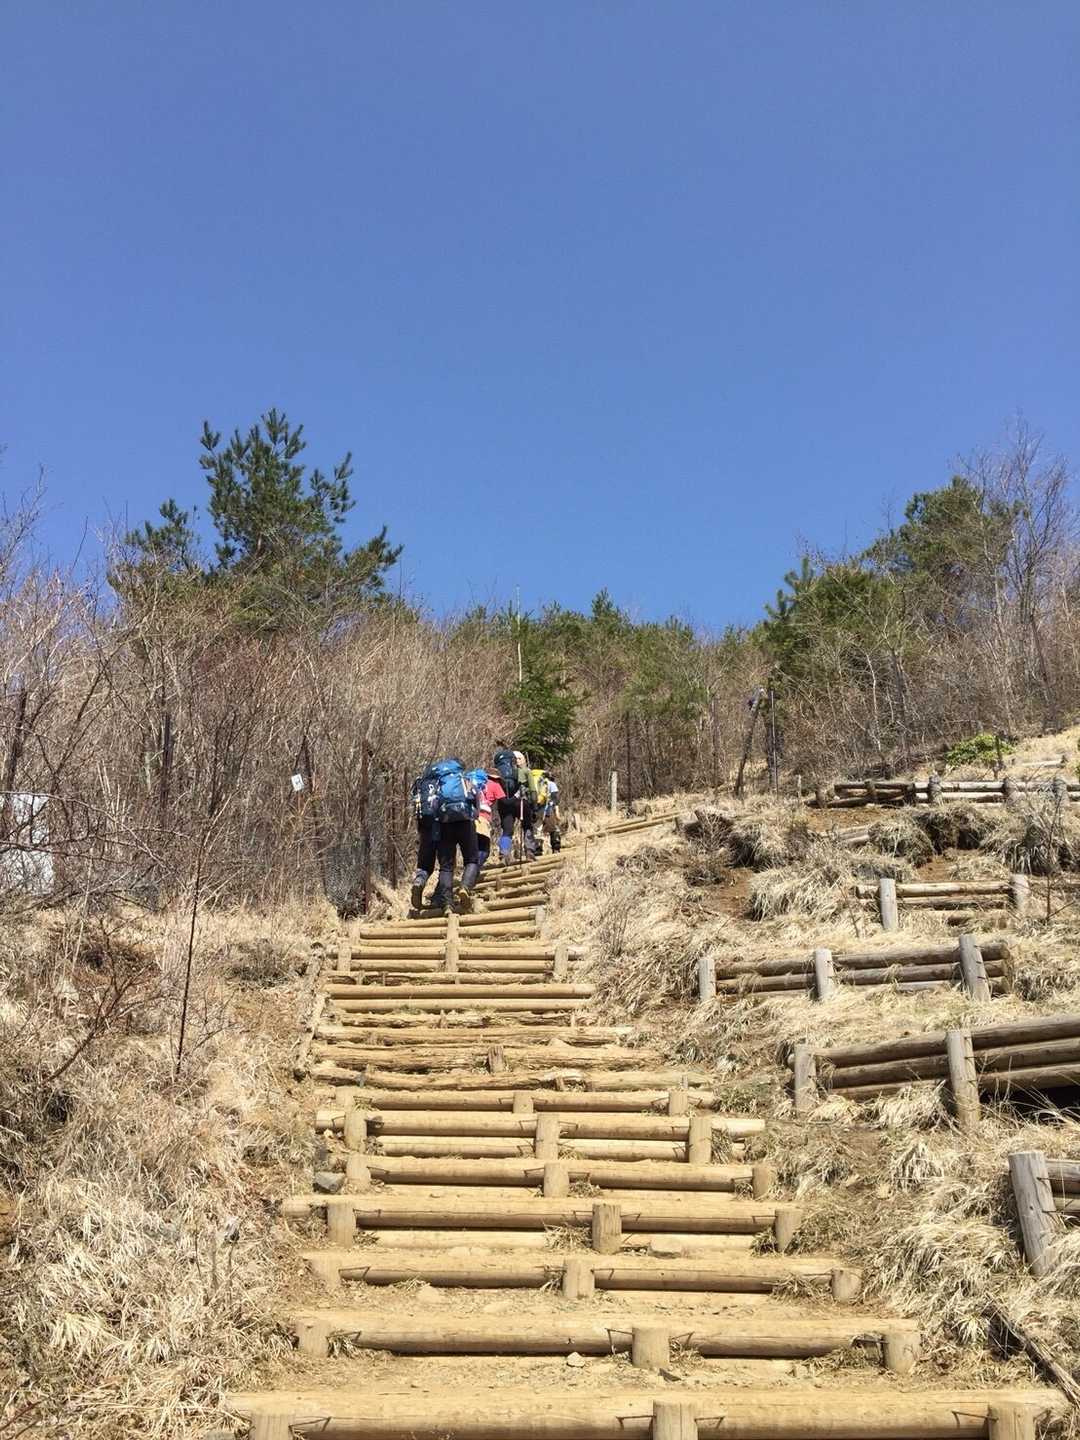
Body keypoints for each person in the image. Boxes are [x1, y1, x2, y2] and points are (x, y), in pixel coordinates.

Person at [469, 767, 505, 869]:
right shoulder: (495, 785)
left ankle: (470, 869)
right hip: (483, 818)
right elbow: (503, 801)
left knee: (474, 847)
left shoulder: (471, 783)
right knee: (484, 850)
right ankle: (473, 870)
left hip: (469, 817)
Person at [542, 772, 562, 852]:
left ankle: (537, 850)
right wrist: (557, 811)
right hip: (549, 809)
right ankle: (556, 847)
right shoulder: (552, 784)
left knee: (537, 830)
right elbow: (555, 798)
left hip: (537, 810)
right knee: (554, 828)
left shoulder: (539, 783)